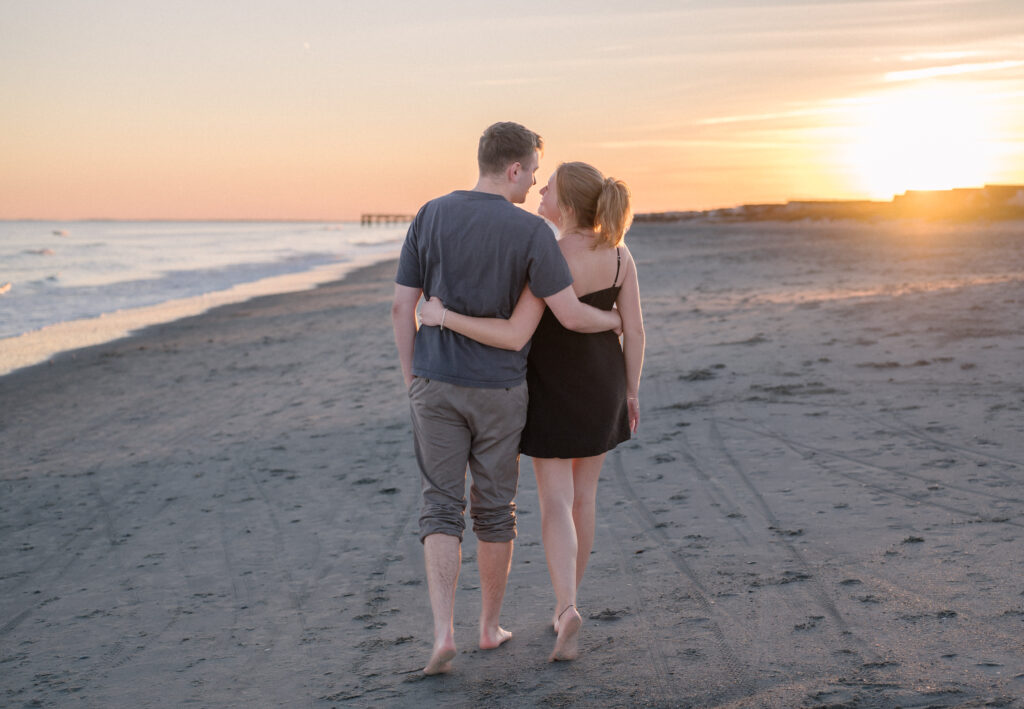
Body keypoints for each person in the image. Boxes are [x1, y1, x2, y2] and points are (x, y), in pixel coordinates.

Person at [392, 124, 621, 675]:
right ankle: (488, 628)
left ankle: (443, 630)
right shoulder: (532, 234)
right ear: (514, 168)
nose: (535, 184)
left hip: (435, 382)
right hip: (500, 390)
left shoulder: (429, 214)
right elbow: (547, 321)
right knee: (495, 510)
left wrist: (412, 379)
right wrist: (617, 320)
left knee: (439, 506)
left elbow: (403, 308)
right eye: (534, 173)